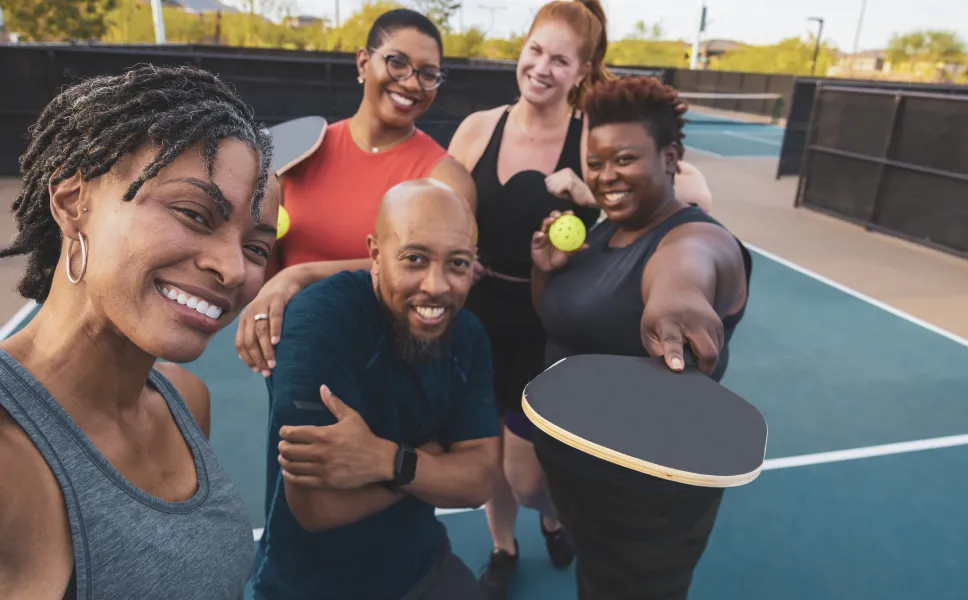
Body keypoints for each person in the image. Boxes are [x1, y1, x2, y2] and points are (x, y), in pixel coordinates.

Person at [446, 2, 713, 595]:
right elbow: (438, 197)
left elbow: (697, 191)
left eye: (559, 60)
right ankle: (503, 547)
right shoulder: (478, 128)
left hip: (549, 324)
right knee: (487, 454)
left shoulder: (590, 132)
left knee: (527, 474)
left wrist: (592, 189)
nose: (541, 68)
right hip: (476, 320)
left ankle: (550, 513)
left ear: (583, 69)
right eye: (535, 51)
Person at [0, 64, 279, 599]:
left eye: (256, 247)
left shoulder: (185, 399)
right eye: (194, 213)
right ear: (71, 201)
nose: (234, 269)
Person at [528, 76, 752, 599]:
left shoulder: (696, 238)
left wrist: (678, 301)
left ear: (671, 157)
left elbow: (687, 270)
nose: (606, 177)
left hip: (647, 498)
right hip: (582, 477)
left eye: (624, 159)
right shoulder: (606, 231)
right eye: (596, 161)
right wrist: (547, 272)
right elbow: (562, 325)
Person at [252, 179, 500, 600]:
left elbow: (478, 481)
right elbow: (318, 508)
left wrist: (389, 460)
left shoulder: (468, 334)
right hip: (311, 589)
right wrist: (434, 457)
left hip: (424, 566)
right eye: (415, 259)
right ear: (374, 255)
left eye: (457, 264)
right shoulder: (318, 324)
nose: (437, 286)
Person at [235, 8, 475, 378]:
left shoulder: (445, 180)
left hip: (390, 364)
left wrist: (300, 276)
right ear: (364, 62)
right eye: (397, 63)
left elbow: (440, 274)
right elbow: (260, 250)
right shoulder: (300, 151)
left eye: (427, 74)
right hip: (295, 356)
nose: (411, 83)